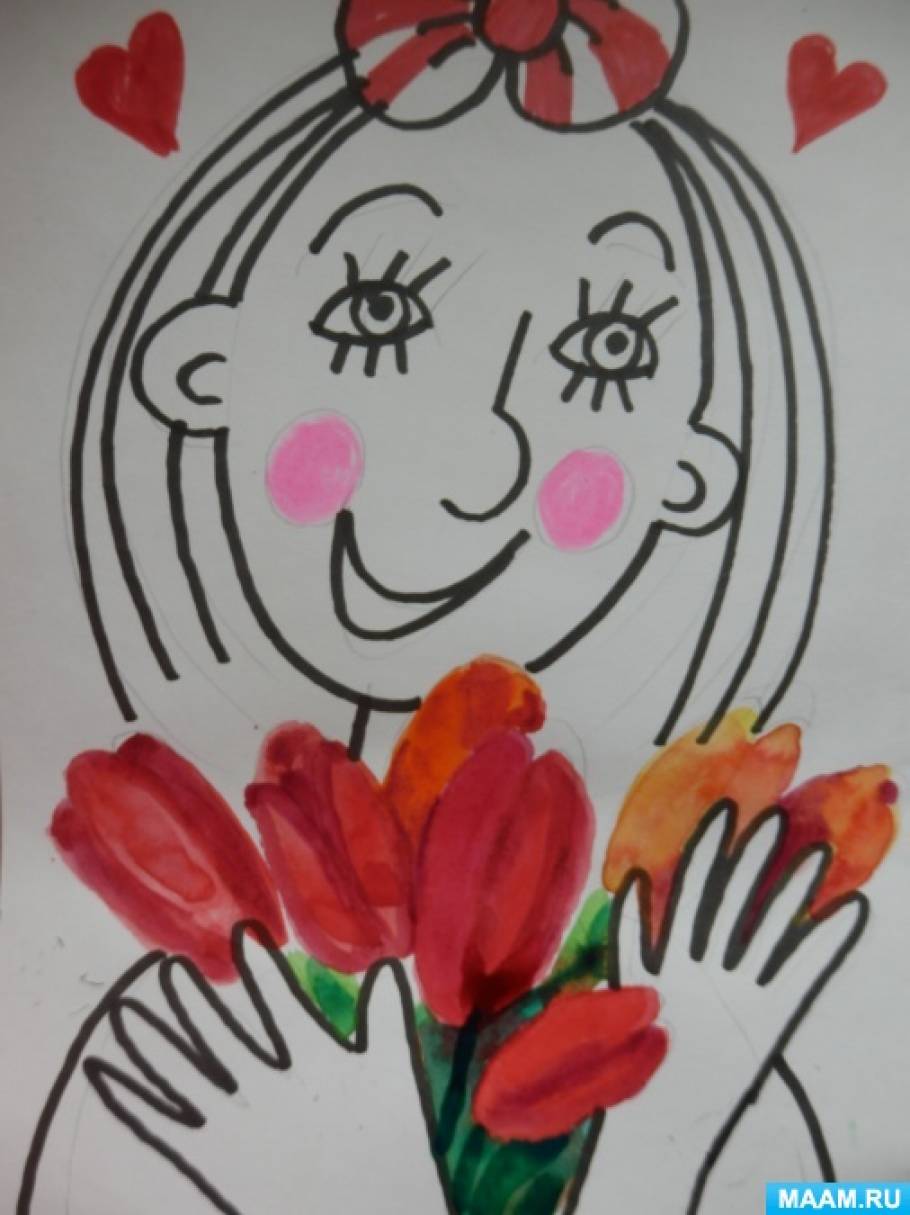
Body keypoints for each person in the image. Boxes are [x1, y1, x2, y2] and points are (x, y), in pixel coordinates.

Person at [31, 1, 847, 1210]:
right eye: (379, 309)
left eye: (606, 350)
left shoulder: (699, 981)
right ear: (201, 367)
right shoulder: (181, 1043)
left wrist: (693, 1097)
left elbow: (850, 1202)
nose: (480, 463)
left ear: (694, 475)